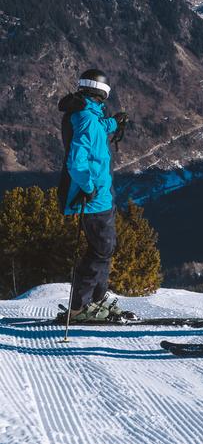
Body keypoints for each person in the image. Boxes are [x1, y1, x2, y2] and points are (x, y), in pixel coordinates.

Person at [58, 69, 129, 322]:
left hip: (100, 195)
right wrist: (88, 188)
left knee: (105, 248)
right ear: (102, 91)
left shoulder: (89, 114)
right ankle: (79, 307)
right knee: (100, 250)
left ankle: (97, 298)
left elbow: (99, 127)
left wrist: (115, 123)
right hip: (93, 198)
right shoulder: (87, 118)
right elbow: (77, 162)